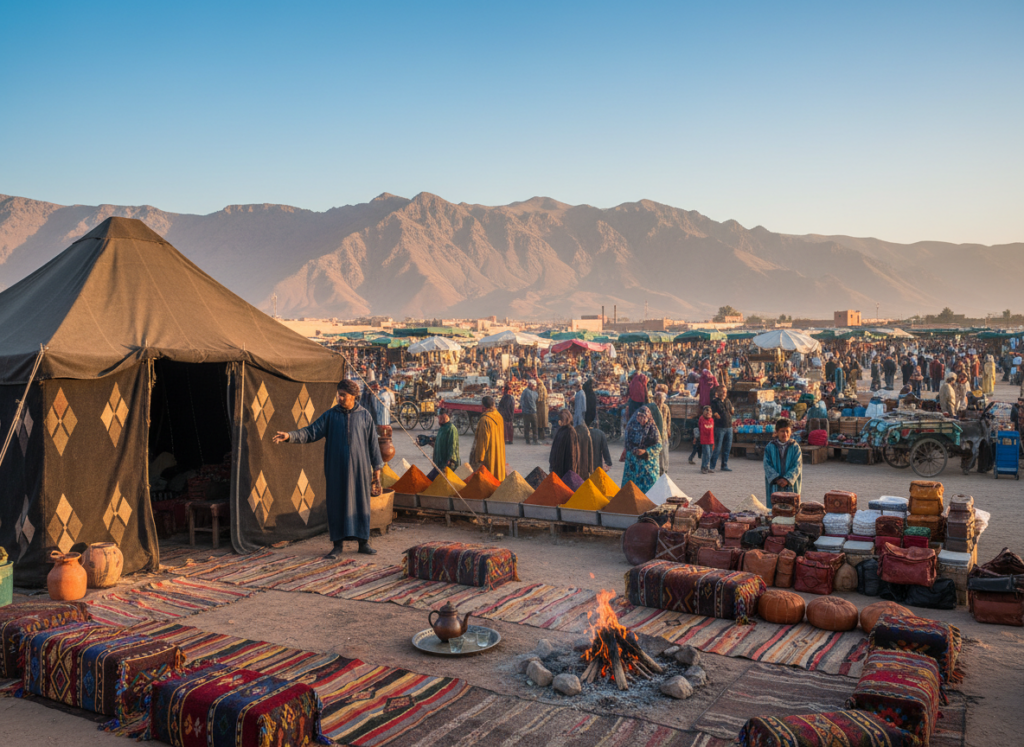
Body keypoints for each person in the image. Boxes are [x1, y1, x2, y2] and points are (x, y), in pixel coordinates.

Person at [273, 380, 382, 557]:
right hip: (336, 471)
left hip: (360, 471)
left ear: (353, 396)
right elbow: (310, 432)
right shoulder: (330, 416)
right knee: (336, 504)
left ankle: (363, 542)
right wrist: (289, 436)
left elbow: (373, 444)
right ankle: (337, 546)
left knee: (361, 504)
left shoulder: (365, 416)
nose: (339, 398)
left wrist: (377, 469)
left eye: (343, 395)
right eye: (338, 394)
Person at [763, 417, 802, 508]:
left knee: (791, 510)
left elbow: (797, 466)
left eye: (787, 431)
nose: (785, 434)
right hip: (775, 485)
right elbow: (767, 465)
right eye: (782, 431)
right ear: (776, 432)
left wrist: (786, 479)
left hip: (791, 485)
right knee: (775, 510)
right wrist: (777, 479)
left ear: (791, 432)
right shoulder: (770, 447)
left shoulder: (795, 447)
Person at [622, 406, 662, 493]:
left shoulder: (653, 429)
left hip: (647, 464)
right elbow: (627, 442)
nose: (641, 420)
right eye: (639, 417)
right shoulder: (631, 426)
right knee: (632, 490)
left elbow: (658, 445)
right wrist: (634, 450)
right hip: (634, 464)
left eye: (644, 417)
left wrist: (645, 451)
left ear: (648, 417)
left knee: (649, 491)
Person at [470, 396, 506, 481]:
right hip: (499, 455)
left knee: (489, 481)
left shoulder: (485, 420)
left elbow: (482, 442)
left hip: (490, 457)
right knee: (498, 479)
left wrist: (479, 459)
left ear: (483, 406)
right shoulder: (499, 416)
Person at [549, 410, 580, 479]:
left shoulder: (570, 431)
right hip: (558, 466)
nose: (559, 422)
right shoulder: (560, 430)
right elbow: (554, 448)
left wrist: (571, 472)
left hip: (566, 467)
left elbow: (572, 453)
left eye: (561, 420)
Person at [709, 386, 734, 472]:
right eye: (723, 391)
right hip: (719, 427)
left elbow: (732, 411)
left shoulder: (728, 401)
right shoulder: (714, 402)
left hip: (729, 426)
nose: (724, 393)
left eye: (725, 391)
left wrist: (733, 410)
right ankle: (712, 466)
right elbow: (711, 412)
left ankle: (724, 465)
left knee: (727, 447)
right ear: (718, 392)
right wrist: (714, 414)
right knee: (718, 447)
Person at [653, 391, 672, 475]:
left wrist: (668, 429)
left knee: (664, 451)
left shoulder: (666, 407)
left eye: (661, 398)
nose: (660, 400)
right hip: (655, 432)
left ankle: (664, 469)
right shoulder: (653, 408)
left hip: (663, 432)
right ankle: (658, 469)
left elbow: (669, 419)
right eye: (658, 398)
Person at [520, 381, 540, 445]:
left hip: (530, 412)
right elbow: (522, 400)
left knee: (531, 426)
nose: (534, 387)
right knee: (530, 426)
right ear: (531, 385)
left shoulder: (533, 393)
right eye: (534, 386)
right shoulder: (527, 392)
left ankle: (531, 440)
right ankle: (531, 440)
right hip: (529, 412)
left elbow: (536, 401)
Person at [698, 406, 715, 474]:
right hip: (704, 440)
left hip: (711, 440)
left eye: (710, 411)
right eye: (706, 410)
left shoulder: (712, 420)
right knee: (706, 453)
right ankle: (704, 467)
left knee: (710, 454)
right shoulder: (701, 419)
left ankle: (706, 467)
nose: (708, 412)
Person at [536, 377, 549, 443]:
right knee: (543, 422)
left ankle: (541, 436)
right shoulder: (544, 387)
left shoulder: (539, 388)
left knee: (540, 422)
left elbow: (538, 398)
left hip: (540, 406)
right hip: (544, 406)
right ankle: (542, 435)